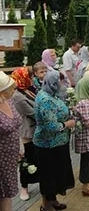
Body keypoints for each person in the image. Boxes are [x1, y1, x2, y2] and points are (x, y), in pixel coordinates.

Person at [33, 71, 75, 211]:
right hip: (48, 144)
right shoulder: (45, 100)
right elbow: (50, 125)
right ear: (53, 83)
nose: (62, 84)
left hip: (58, 142)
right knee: (48, 176)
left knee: (57, 174)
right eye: (60, 81)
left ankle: (53, 201)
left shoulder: (52, 94)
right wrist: (67, 124)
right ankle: (46, 206)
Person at [11, 67, 39, 201]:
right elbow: (33, 113)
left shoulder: (26, 90)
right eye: (30, 76)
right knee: (27, 161)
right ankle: (24, 187)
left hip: (34, 131)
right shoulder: (17, 97)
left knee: (35, 159)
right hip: (27, 133)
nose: (32, 78)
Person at [0, 71, 22, 211]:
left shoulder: (9, 101)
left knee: (7, 193)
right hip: (1, 159)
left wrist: (19, 147)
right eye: (11, 88)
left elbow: (16, 125)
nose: (14, 90)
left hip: (10, 159)